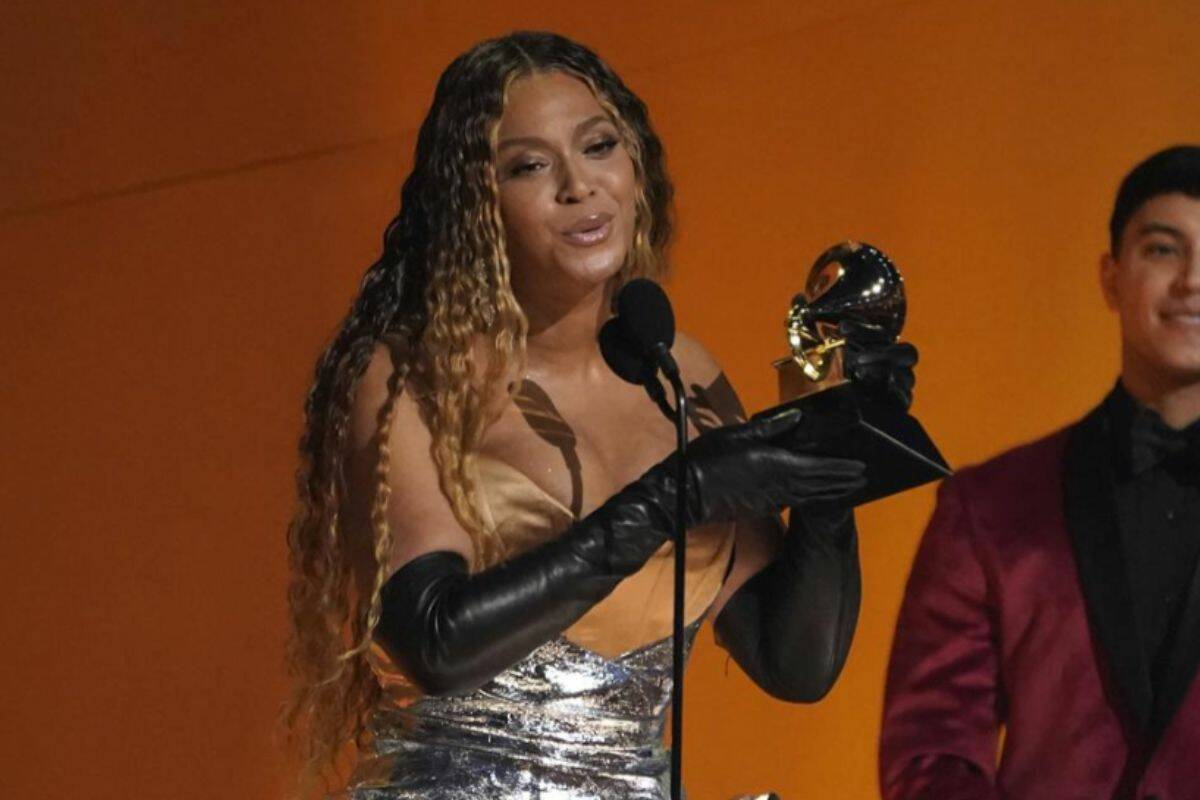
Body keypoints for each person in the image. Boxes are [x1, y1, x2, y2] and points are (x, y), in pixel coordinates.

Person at [283, 31, 914, 800]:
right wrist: (667, 500)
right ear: (475, 205)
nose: (579, 187)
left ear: (636, 168)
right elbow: (436, 641)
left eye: (599, 146)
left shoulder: (680, 376)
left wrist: (832, 455)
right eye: (529, 166)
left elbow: (794, 663)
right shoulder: (408, 378)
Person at [879, 145, 1200, 800]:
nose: (1193, 279)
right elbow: (929, 753)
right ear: (1111, 277)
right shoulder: (987, 507)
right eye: (1164, 249)